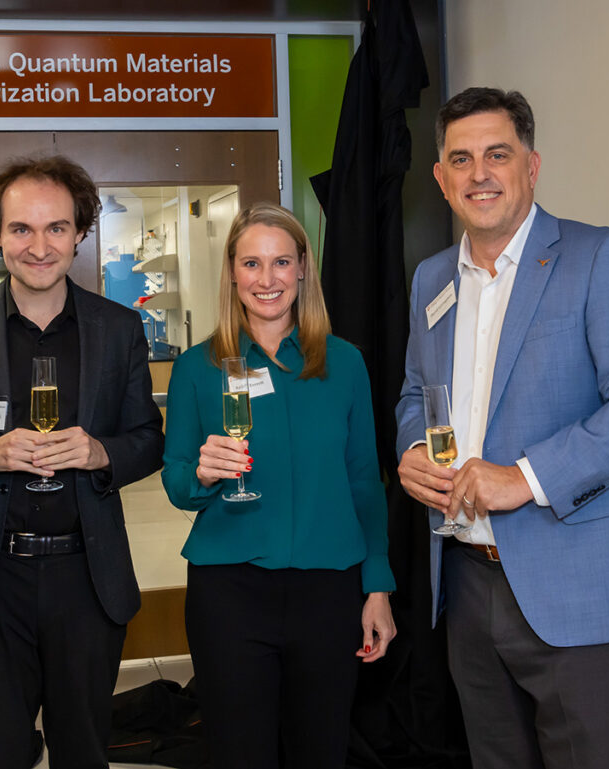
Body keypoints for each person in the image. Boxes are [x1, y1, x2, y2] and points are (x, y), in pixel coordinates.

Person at [395, 87, 609, 769]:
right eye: (461, 158)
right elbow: (412, 394)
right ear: (440, 178)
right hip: (467, 581)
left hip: (578, 584)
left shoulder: (599, 257)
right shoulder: (431, 280)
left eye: (497, 154)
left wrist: (525, 477)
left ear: (532, 166)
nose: (478, 173)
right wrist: (412, 449)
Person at [0, 154, 164, 769]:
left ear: (80, 232)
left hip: (88, 580)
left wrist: (99, 451)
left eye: (56, 227)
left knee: (84, 752)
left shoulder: (119, 328)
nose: (39, 246)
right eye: (21, 229)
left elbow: (148, 437)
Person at [161, 202, 396, 769]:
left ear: (302, 271)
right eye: (251, 264)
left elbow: (365, 478)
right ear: (233, 273)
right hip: (230, 594)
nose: (266, 280)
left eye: (281, 263)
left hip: (328, 590)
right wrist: (202, 473)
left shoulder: (345, 364)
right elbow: (175, 482)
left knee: (321, 751)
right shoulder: (197, 367)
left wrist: (378, 586)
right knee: (239, 753)